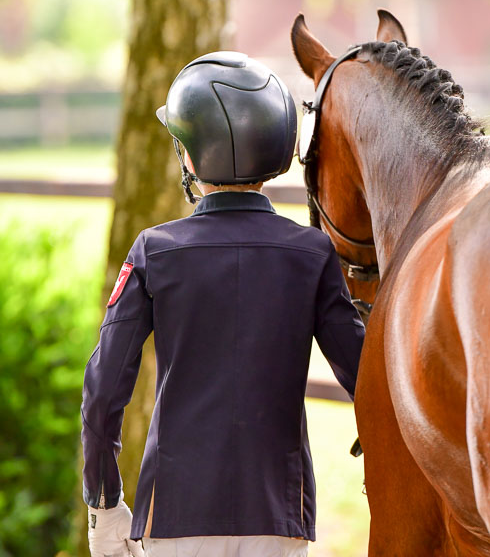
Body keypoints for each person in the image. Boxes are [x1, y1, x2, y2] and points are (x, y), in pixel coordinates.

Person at [81, 51, 365, 557]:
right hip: (279, 517)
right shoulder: (313, 253)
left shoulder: (154, 251)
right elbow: (367, 380)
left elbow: (103, 392)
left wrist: (103, 505)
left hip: (175, 515)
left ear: (193, 156)